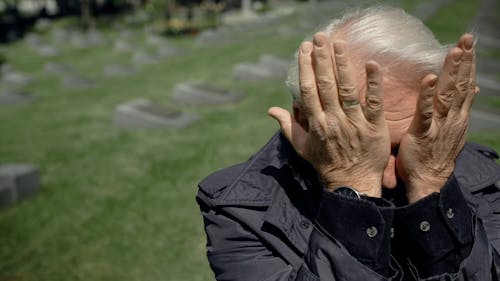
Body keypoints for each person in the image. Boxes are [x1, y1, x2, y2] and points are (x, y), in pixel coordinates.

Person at [196, 6, 500, 281]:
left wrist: (431, 184)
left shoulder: (484, 178)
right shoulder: (238, 210)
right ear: (305, 120)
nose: (391, 176)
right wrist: (352, 186)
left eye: (402, 147)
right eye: (364, 144)